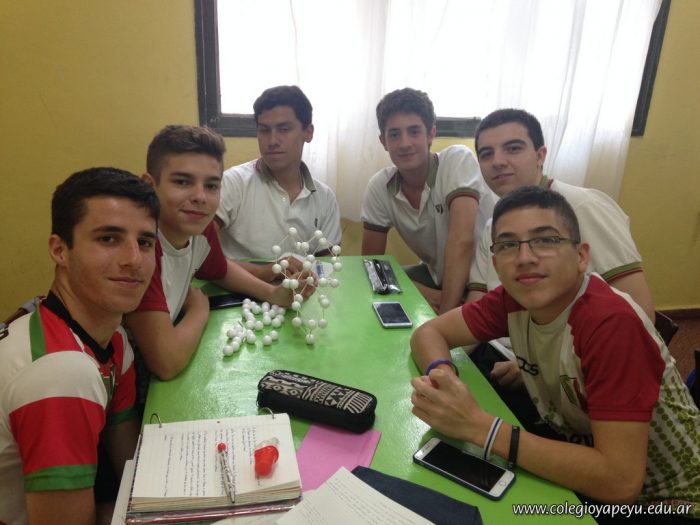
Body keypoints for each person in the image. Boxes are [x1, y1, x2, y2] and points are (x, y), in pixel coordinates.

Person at [411, 186, 700, 523]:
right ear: (496, 264)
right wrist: (445, 378)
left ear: (581, 256)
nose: (525, 257)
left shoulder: (610, 323)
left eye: (545, 240)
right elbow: (428, 333)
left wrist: (480, 427)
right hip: (581, 450)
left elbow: (621, 482)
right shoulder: (514, 298)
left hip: (666, 501)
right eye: (508, 244)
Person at [0, 167, 159, 524]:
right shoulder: (60, 373)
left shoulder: (114, 339)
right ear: (59, 250)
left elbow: (132, 471)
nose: (134, 260)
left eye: (145, 242)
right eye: (108, 238)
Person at [467, 108, 655, 392]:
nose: (498, 162)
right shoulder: (495, 224)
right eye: (486, 154)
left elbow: (640, 312)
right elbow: (476, 303)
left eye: (513, 148)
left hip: (560, 374)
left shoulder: (584, 207)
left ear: (540, 156)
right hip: (494, 351)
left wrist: (535, 368)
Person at [126, 125, 313, 381]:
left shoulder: (198, 229)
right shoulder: (140, 250)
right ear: (150, 186)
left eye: (212, 185)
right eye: (182, 182)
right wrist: (199, 309)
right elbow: (166, 363)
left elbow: (220, 271)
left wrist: (272, 293)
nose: (200, 197)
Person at [361, 88, 495, 314]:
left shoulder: (457, 160)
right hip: (438, 279)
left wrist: (444, 315)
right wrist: (428, 294)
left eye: (414, 131)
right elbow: (372, 265)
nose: (405, 143)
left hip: (485, 280)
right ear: (383, 141)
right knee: (380, 281)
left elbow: (462, 242)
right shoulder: (379, 186)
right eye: (394, 134)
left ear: (431, 134)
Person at [215, 85, 342, 282]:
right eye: (264, 130)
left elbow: (327, 268)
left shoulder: (324, 197)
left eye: (284, 129)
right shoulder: (232, 183)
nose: (272, 140)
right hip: (235, 292)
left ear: (308, 132)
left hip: (301, 295)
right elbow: (201, 256)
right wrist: (264, 272)